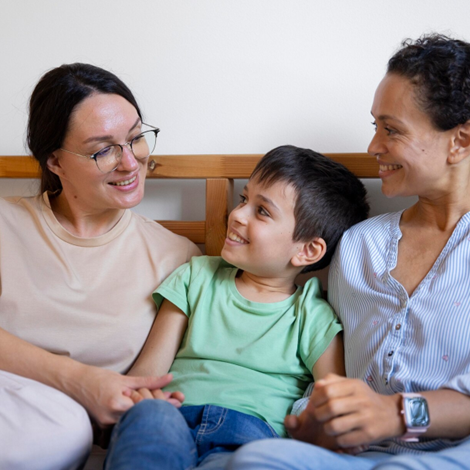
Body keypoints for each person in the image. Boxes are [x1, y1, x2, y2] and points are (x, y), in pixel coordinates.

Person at [227, 34, 470, 470]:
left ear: (461, 141)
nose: (373, 146)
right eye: (374, 125)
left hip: (457, 453)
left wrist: (395, 414)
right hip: (358, 457)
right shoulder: (361, 245)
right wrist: (315, 424)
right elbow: (333, 376)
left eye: (391, 129)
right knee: (257, 458)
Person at [103, 145, 370, 470]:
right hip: (172, 413)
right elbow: (148, 373)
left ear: (307, 250)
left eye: (262, 211)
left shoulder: (311, 315)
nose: (236, 214)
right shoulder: (196, 276)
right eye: (244, 199)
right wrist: (142, 401)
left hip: (252, 435)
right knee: (148, 424)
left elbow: (334, 403)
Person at [0, 63, 200, 470]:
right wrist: (80, 381)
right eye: (103, 149)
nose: (130, 163)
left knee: (63, 432)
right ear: (54, 160)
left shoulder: (177, 259)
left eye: (136, 138)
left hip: (61, 436)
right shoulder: (5, 225)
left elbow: (144, 388)